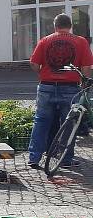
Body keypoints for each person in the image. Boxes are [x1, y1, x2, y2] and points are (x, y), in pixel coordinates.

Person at [27, 13, 93, 169]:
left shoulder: (45, 40)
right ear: (70, 26)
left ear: (55, 26)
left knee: (41, 122)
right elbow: (86, 68)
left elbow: (34, 64)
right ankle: (65, 159)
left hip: (46, 86)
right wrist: (84, 84)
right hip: (71, 89)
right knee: (69, 124)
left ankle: (34, 158)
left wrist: (43, 73)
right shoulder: (80, 41)